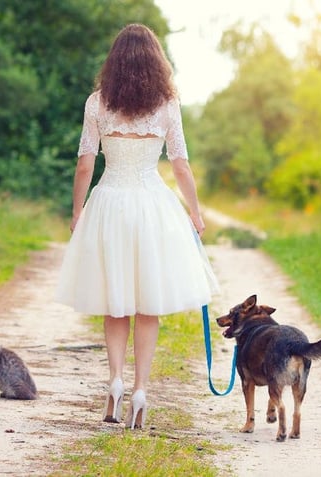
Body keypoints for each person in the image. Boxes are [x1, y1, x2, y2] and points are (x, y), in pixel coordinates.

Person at [55, 23, 219, 429]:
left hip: (109, 202)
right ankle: (141, 391)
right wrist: (195, 213)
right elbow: (180, 164)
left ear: (114, 62)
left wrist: (77, 211)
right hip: (152, 205)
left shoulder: (96, 103)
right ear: (155, 61)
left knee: (115, 303)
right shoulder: (167, 104)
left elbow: (84, 164)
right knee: (148, 306)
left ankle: (114, 382)